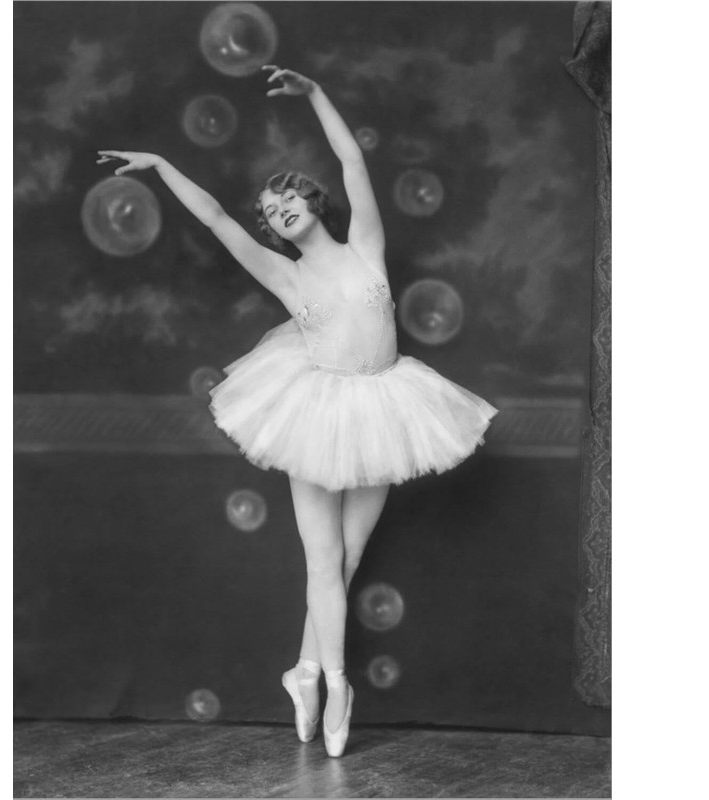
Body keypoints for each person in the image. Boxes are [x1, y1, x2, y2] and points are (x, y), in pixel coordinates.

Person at [97, 65, 497, 758]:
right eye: (270, 210)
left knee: (350, 554)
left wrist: (315, 95)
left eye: (286, 197)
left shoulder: (366, 246)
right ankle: (336, 684)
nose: (278, 209)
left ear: (313, 201)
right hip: (314, 411)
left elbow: (352, 160)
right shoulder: (284, 274)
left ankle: (304, 669)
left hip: (385, 406)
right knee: (323, 558)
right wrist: (161, 165)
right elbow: (216, 218)